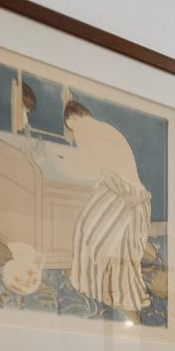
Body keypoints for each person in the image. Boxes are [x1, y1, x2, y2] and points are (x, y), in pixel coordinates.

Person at [62, 99, 152, 317]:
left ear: (73, 119)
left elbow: (93, 170)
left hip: (125, 195)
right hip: (130, 193)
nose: (73, 131)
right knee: (90, 226)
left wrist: (67, 165)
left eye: (70, 125)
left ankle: (99, 289)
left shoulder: (86, 132)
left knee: (89, 231)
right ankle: (101, 288)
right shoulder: (104, 128)